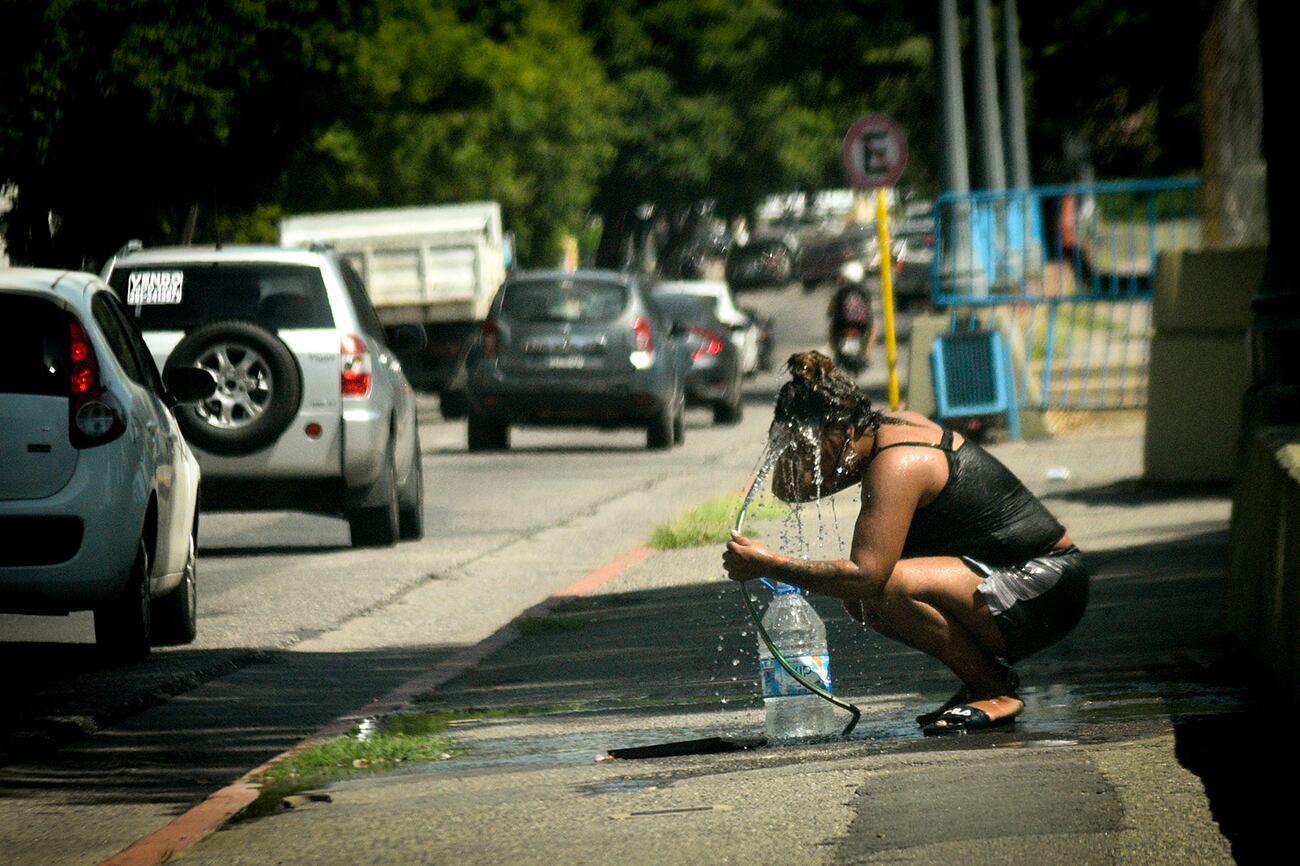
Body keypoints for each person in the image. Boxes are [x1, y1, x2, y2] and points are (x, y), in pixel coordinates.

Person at [722, 351, 1089, 735]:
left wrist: (768, 564)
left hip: (1049, 584)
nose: (805, 456)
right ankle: (984, 677)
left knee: (885, 586)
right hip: (1011, 577)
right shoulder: (875, 434)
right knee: (863, 600)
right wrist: (787, 440)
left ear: (843, 432)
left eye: (810, 446)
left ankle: (993, 690)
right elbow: (789, 489)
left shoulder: (899, 462)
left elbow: (867, 576)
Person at [827, 260, 877, 368]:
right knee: (873, 329)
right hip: (862, 325)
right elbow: (869, 311)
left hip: (842, 324)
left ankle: (836, 353)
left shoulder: (840, 292)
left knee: (831, 328)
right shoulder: (864, 291)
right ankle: (867, 354)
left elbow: (831, 311)